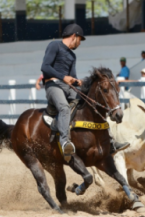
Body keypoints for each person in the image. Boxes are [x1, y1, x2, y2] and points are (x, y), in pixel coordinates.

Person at [41, 24, 129, 161]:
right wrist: (63, 77)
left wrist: (79, 82)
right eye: (80, 40)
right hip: (53, 85)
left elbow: (72, 77)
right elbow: (45, 67)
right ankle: (65, 143)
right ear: (74, 36)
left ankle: (110, 142)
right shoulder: (54, 46)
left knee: (92, 103)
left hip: (68, 87)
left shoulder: (72, 56)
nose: (80, 43)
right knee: (64, 108)